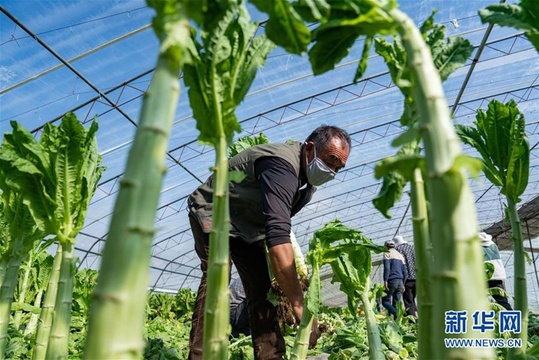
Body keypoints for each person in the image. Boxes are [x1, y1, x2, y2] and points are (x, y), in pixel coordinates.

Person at [187, 125, 351, 359]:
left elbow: (274, 224)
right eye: (330, 161)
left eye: (338, 168)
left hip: (247, 226)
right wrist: (298, 303)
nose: (332, 171)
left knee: (261, 289)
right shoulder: (282, 166)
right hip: (214, 211)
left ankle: (270, 356)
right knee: (217, 277)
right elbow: (278, 234)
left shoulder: (306, 184)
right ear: (311, 148)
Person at [479, 232, 513, 310]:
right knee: (503, 302)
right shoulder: (492, 244)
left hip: (485, 276)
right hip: (498, 276)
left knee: (478, 300)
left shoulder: (474, 245)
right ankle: (512, 320)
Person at [382, 239, 408, 319]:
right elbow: (405, 272)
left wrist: (385, 280)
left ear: (386, 246)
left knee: (385, 301)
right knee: (396, 303)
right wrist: (403, 284)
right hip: (400, 281)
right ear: (394, 246)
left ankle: (398, 315)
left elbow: (387, 268)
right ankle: (396, 323)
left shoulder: (387, 253)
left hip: (391, 280)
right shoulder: (400, 256)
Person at [394, 235, 417, 317]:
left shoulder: (398, 250)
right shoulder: (412, 248)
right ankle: (417, 316)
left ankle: (412, 321)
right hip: (417, 277)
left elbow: (400, 266)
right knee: (412, 299)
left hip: (407, 279)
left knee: (408, 301)